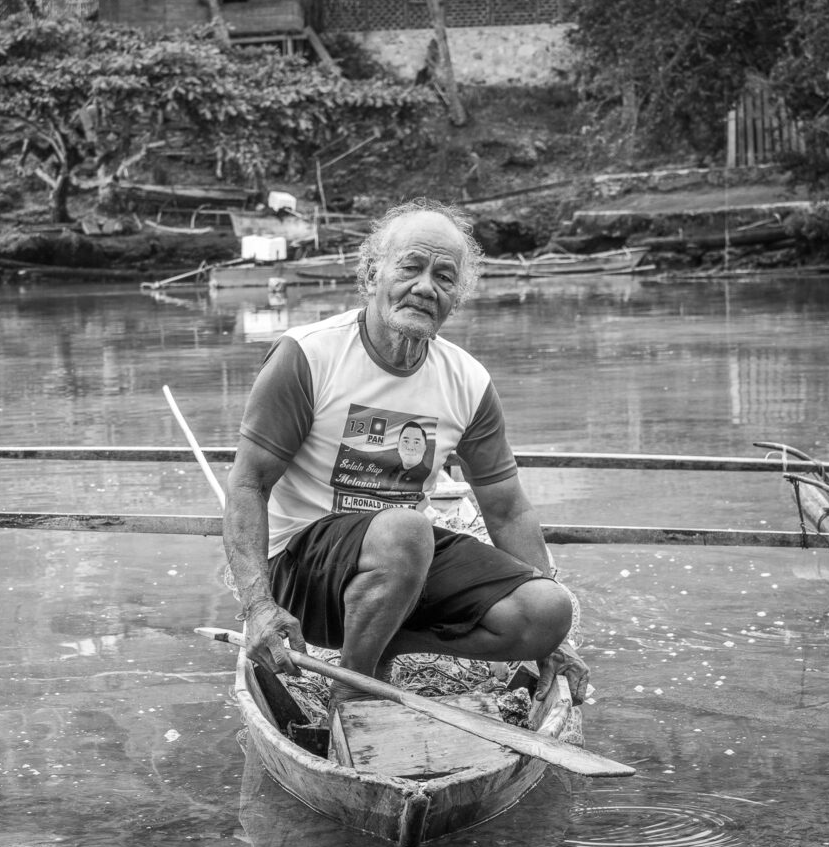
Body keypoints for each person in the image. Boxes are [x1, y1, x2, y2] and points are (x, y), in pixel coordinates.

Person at [222, 198, 588, 710]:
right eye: (410, 267)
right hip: (304, 575)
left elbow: (506, 508)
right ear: (371, 275)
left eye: (444, 276)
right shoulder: (307, 356)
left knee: (547, 610)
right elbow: (247, 484)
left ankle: (384, 638)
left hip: (401, 569)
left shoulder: (468, 381)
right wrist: (257, 605)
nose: (424, 287)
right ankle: (353, 687)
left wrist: (556, 642)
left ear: (456, 298)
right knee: (406, 529)